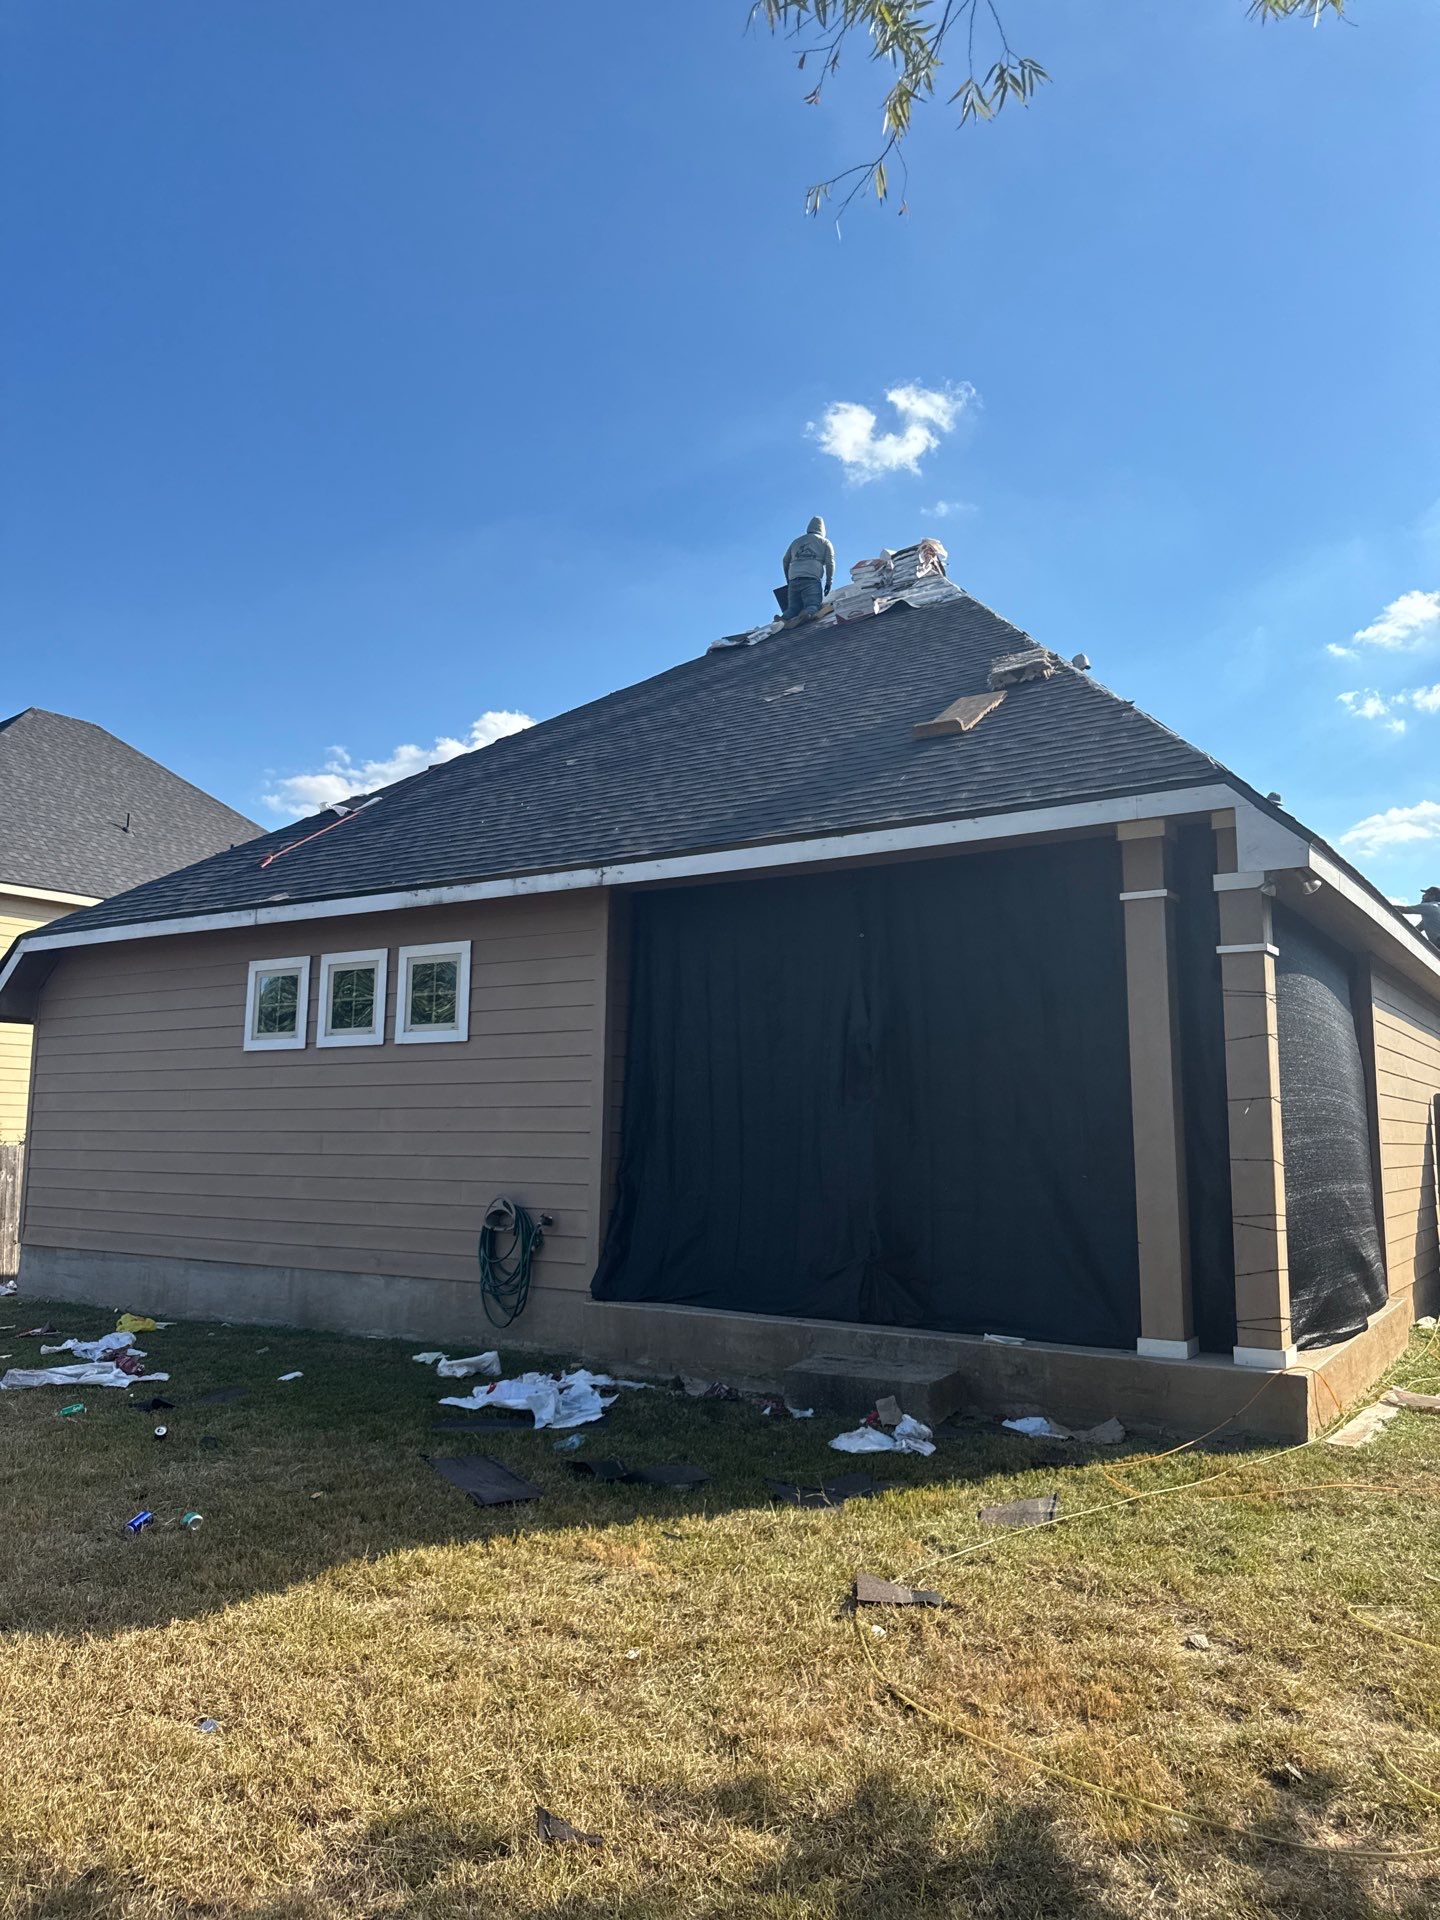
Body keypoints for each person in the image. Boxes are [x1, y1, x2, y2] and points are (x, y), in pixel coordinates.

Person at [780, 515, 835, 622]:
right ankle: (807, 613)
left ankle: (782, 620)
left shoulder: (796, 542)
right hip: (811, 579)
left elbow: (785, 560)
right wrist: (829, 582)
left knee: (792, 608)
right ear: (823, 529)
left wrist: (788, 579)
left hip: (794, 579)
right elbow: (830, 563)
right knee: (813, 604)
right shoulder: (824, 542)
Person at [1399, 886, 1440, 950]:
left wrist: (1385, 905)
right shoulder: (1434, 912)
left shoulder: (1429, 907)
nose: (1423, 896)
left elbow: (1405, 909)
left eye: (1426, 894)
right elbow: (1416, 929)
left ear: (1432, 896)